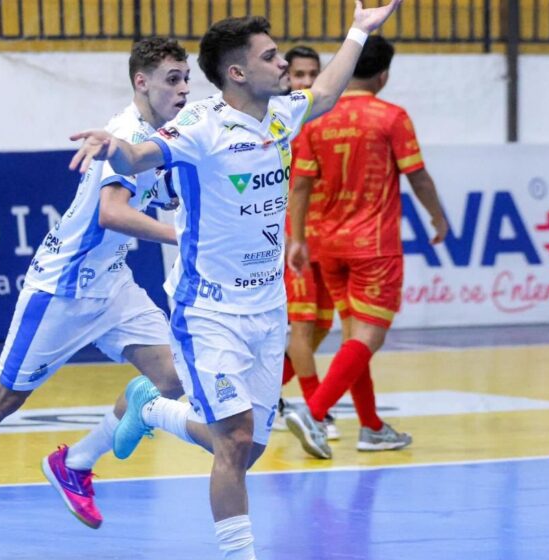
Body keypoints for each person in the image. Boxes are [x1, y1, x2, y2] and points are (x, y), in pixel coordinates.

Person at [69, 3, 403, 558]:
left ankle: (151, 408)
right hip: (208, 310)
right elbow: (142, 154)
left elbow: (323, 92)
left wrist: (357, 32)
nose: (283, 65)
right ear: (238, 73)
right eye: (271, 56)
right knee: (235, 440)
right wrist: (116, 151)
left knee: (246, 448)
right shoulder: (201, 126)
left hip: (268, 310)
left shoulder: (279, 115)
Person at [0, 38, 214, 560]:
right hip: (63, 286)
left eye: (187, 79)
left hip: (112, 283)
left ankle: (76, 463)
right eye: (172, 79)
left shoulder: (166, 136)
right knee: (5, 397)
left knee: (174, 378)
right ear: (142, 82)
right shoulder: (126, 134)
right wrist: (184, 236)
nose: (183, 90)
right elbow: (112, 214)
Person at [284, 35, 448, 459]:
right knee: (367, 339)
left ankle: (371, 427)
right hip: (373, 246)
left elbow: (300, 184)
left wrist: (298, 239)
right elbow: (418, 175)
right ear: (384, 75)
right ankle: (315, 411)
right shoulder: (390, 117)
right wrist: (438, 216)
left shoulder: (316, 118)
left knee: (353, 339)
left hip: (327, 246)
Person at [274, 45, 340, 440]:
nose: (306, 81)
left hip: (326, 235)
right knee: (301, 327)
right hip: (292, 234)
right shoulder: (282, 120)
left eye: (313, 73)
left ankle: (265, 394)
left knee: (320, 326)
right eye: (299, 74)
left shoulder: (326, 118)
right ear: (286, 77)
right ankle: (318, 411)